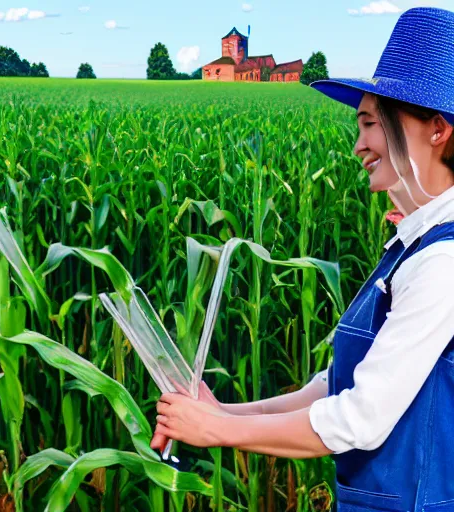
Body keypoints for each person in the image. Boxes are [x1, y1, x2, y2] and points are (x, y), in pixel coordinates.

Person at [151, 7, 454, 510]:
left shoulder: (442, 261)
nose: (359, 145)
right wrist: (227, 410)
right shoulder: (413, 244)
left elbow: (359, 416)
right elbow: (337, 384)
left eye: (371, 124)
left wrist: (219, 430)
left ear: (437, 129)